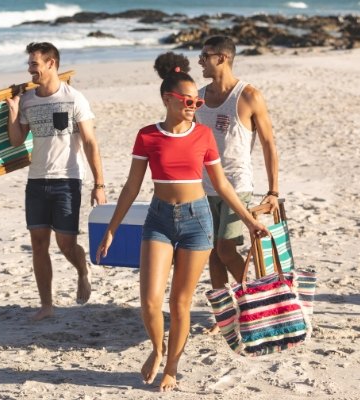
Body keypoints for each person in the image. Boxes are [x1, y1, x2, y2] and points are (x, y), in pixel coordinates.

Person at [95, 52, 269, 392]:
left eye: (197, 101)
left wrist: (249, 220)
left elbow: (220, 184)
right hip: (159, 219)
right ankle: (158, 349)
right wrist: (112, 228)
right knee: (149, 301)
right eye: (188, 100)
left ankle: (171, 367)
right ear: (168, 99)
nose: (194, 105)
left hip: (197, 221)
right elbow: (132, 186)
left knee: (180, 303)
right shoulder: (148, 135)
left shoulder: (203, 135)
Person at [6, 42, 107, 321]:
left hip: (67, 180)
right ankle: (47, 305)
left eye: (35, 65)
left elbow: (89, 142)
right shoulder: (28, 99)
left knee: (65, 244)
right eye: (29, 65)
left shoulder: (74, 98)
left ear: (51, 64)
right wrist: (14, 112)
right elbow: (16, 141)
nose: (30, 70)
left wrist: (99, 185)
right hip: (36, 180)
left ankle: (82, 270)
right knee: (38, 244)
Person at [196, 35, 280, 301]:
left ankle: (258, 297)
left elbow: (269, 144)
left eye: (204, 56)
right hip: (203, 187)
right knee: (213, 251)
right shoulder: (197, 98)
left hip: (237, 186)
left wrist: (273, 191)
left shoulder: (249, 96)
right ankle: (224, 311)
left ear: (222, 58)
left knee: (225, 249)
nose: (199, 61)